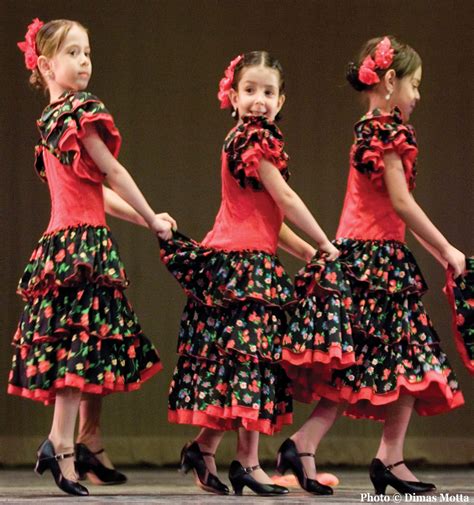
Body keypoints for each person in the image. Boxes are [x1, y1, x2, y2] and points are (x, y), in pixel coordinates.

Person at [279, 36, 466, 496]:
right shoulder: (384, 131)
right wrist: (447, 249)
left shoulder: (373, 129)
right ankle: (381, 456)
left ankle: (313, 446)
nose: (418, 95)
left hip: (368, 256)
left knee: (371, 363)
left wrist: (442, 251)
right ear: (389, 81)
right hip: (374, 261)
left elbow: (398, 208)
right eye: (415, 84)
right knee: (406, 358)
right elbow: (402, 203)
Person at [159, 51, 338, 496]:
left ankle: (203, 448)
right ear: (233, 96)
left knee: (241, 366)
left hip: (250, 261)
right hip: (237, 266)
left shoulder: (261, 140)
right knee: (251, 364)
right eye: (250, 90)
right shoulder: (248, 141)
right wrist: (324, 243)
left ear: (282, 100)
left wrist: (308, 254)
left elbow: (269, 223)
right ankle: (247, 461)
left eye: (269, 92)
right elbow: (288, 200)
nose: (259, 100)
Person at [9, 18, 176, 496]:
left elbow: (94, 194)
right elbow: (114, 173)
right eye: (74, 53)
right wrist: (151, 214)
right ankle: (60, 444)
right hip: (81, 246)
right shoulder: (79, 112)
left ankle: (67, 445)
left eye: (88, 53)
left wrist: (148, 220)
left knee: (78, 348)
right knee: (79, 348)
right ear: (45, 64)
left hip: (63, 244)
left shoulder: (49, 123)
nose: (85, 62)